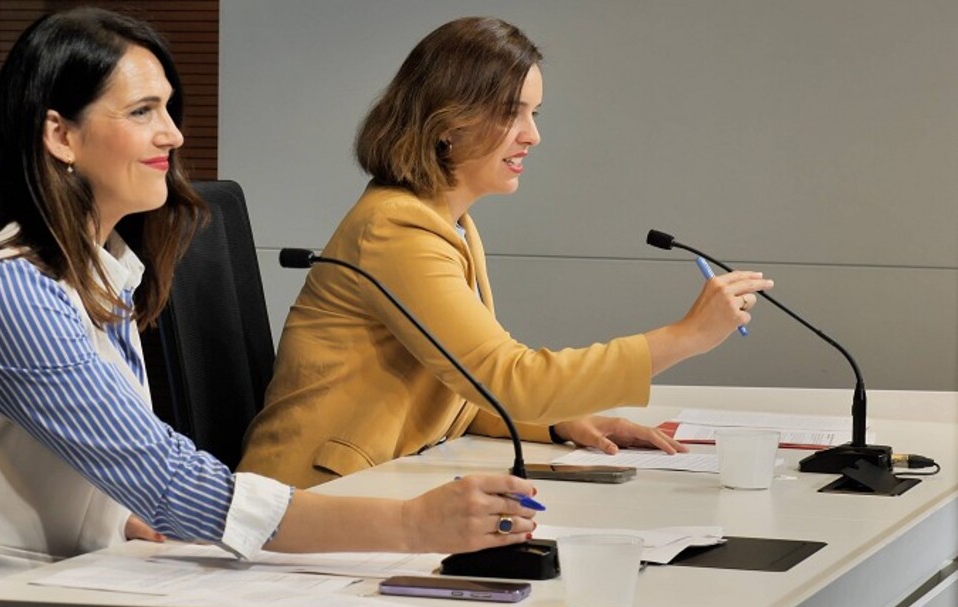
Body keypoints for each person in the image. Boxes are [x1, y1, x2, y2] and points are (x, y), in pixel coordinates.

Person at [0, 8, 539, 596]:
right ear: (59, 135)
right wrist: (408, 526)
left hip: (63, 575)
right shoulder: (3, 291)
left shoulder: (101, 271)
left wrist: (114, 519)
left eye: (168, 109)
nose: (174, 135)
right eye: (142, 112)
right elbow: (163, 477)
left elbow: (80, 463)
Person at [238, 17, 774, 489]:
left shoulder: (448, 223)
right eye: (512, 114)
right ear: (447, 122)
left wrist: (559, 422)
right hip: (312, 494)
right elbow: (508, 378)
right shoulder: (397, 229)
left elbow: (464, 386)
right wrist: (686, 337)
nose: (533, 136)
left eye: (535, 113)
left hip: (377, 483)